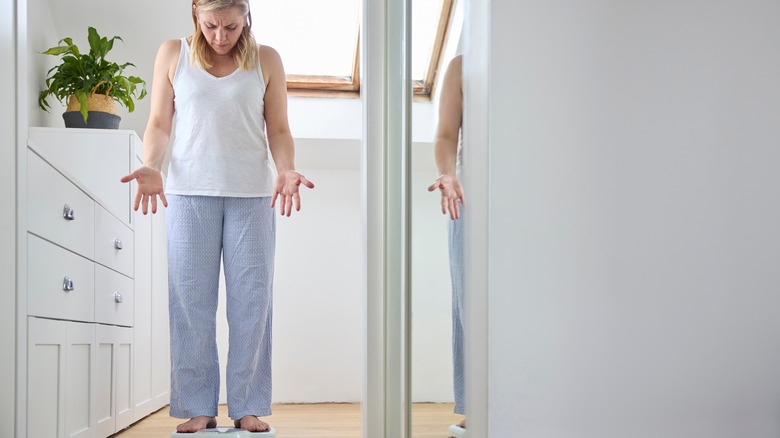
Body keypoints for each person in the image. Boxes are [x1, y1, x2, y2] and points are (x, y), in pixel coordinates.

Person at [120, 0, 314, 433]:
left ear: (247, 16)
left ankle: (248, 405)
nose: (221, 36)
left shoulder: (266, 59)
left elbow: (278, 128)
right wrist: (151, 162)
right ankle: (197, 406)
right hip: (189, 194)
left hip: (251, 196)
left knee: (252, 302)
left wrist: (285, 171)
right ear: (195, 14)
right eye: (211, 26)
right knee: (190, 303)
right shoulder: (173, 53)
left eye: (230, 25)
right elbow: (159, 122)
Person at [427, 54, 466, 430]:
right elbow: (445, 135)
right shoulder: (462, 66)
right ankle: (480, 404)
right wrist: (447, 174)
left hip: (534, 194)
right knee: (469, 301)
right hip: (468, 194)